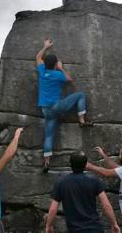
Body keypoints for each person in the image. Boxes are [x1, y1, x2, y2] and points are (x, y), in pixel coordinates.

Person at [36, 38, 93, 172]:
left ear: (45, 63)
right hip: (57, 107)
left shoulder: (42, 71)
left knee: (49, 135)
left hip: (45, 111)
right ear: (55, 64)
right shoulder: (58, 75)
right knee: (80, 95)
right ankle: (81, 120)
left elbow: (38, 57)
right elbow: (69, 79)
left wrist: (45, 47)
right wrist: (61, 69)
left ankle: (47, 162)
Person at [45, 153, 120, 233]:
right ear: (85, 165)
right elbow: (106, 205)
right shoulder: (94, 180)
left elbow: (53, 209)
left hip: (75, 229)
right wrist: (114, 223)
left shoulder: (61, 183)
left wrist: (48, 226)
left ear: (70, 164)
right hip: (94, 228)